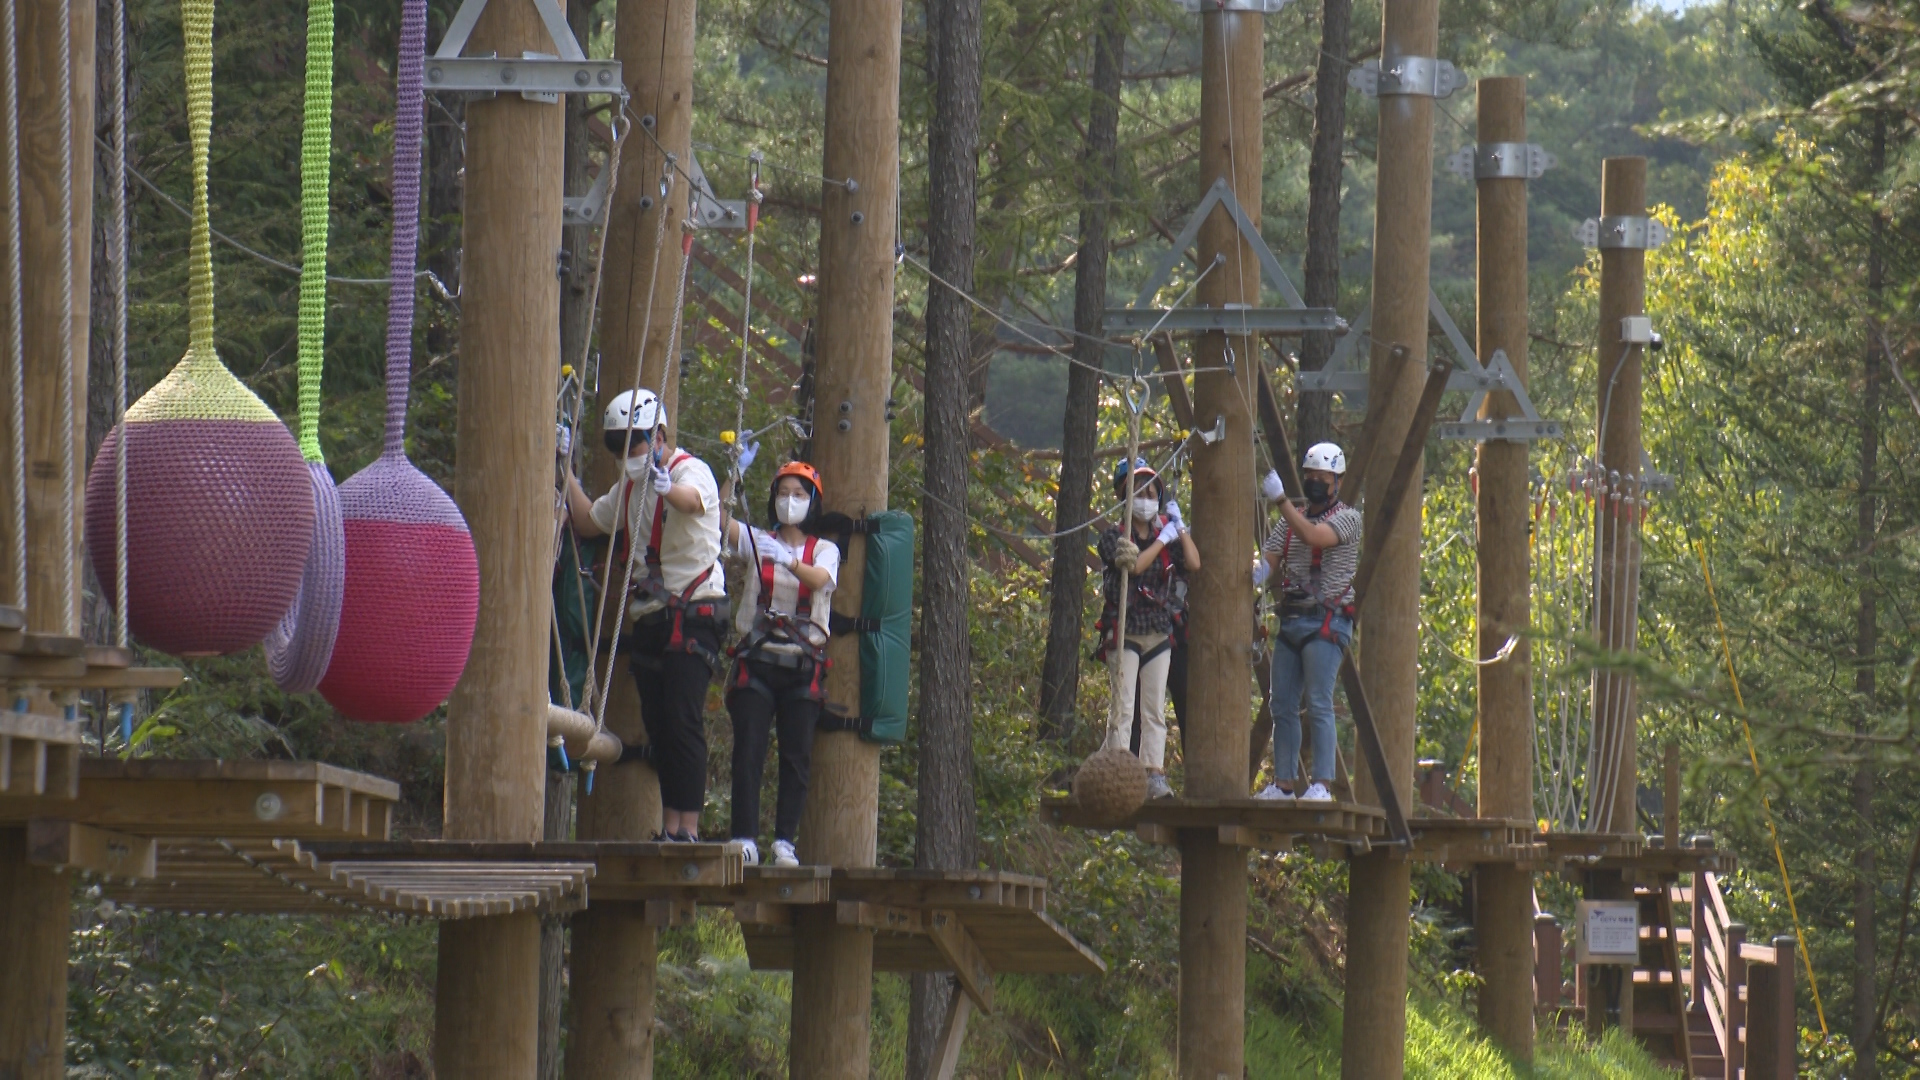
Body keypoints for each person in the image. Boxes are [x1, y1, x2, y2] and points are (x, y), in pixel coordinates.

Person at [564, 388, 726, 841]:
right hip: (655, 614)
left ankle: (686, 828)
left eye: (633, 443)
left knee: (682, 717)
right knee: (658, 721)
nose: (626, 454)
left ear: (658, 435)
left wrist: (666, 488)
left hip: (695, 609)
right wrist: (564, 470)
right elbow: (589, 520)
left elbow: (693, 501)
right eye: (617, 446)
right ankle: (671, 826)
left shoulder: (690, 472)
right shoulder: (632, 485)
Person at [718, 458, 838, 869]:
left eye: (799, 495)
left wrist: (786, 560)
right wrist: (731, 477)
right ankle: (744, 837)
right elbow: (718, 522)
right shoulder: (756, 541)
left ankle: (785, 840)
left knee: (795, 755)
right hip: (758, 660)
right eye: (784, 494)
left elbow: (820, 580)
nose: (791, 502)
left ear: (813, 502)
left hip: (802, 665)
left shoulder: (824, 550)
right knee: (748, 751)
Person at [1254, 441, 1361, 804]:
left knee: (1318, 701)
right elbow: (1271, 559)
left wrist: (1281, 501)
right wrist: (1258, 572)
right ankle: (1284, 783)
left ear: (1337, 481)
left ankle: (1322, 785)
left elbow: (1315, 536)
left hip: (1325, 623)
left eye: (1323, 476)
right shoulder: (1290, 521)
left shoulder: (1348, 518)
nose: (1316, 481)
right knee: (1280, 703)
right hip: (1293, 622)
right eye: (1311, 475)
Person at [1095, 458, 1198, 800]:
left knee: (1154, 709)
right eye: (1139, 492)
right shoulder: (1114, 538)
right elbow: (1135, 566)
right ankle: (1117, 768)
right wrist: (1162, 539)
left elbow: (1194, 563)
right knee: (1123, 706)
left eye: (1151, 492)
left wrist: (1178, 528)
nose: (1146, 498)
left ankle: (1153, 771)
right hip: (1126, 630)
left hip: (1156, 630)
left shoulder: (1167, 537)